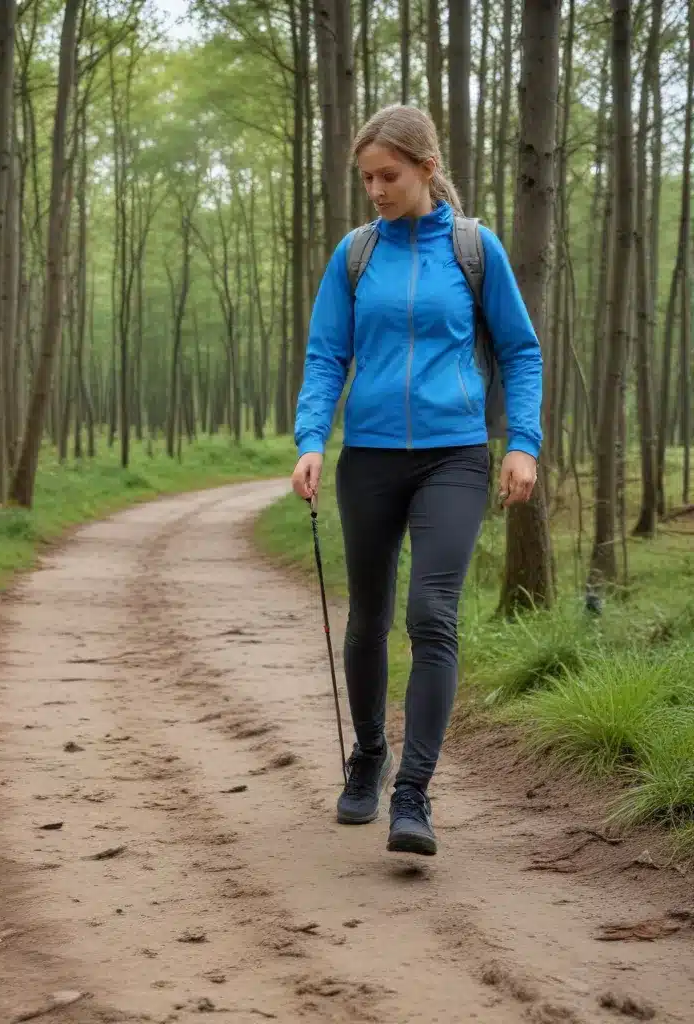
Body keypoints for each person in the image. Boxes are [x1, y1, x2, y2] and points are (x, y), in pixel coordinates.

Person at [291, 104, 543, 857]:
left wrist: (521, 444)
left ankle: (414, 793)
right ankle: (370, 755)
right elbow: (326, 354)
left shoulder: (473, 247)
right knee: (367, 616)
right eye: (366, 178)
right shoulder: (356, 254)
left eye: (388, 176)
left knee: (431, 612)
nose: (375, 189)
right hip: (367, 456)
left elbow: (521, 351)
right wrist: (311, 439)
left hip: (454, 454)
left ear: (427, 169)